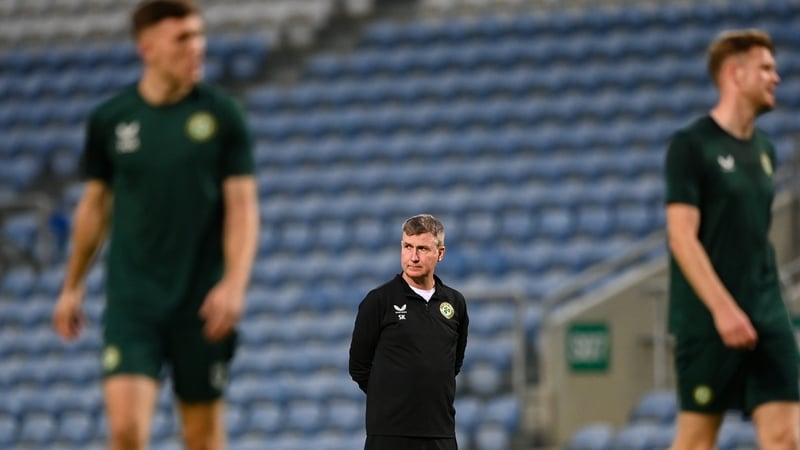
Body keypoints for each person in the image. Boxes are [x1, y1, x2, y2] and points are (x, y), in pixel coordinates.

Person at [51, 1, 259, 449]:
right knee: (126, 433)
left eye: (200, 36)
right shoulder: (111, 120)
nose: (197, 47)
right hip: (133, 305)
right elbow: (95, 206)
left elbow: (242, 207)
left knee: (202, 439)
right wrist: (72, 284)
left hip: (201, 305)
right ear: (147, 47)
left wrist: (234, 285)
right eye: (183, 38)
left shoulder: (223, 116)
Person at [664, 29, 799, 450]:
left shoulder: (765, 149)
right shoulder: (691, 145)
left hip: (766, 309)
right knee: (697, 442)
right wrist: (724, 310)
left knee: (786, 437)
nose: (776, 77)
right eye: (766, 68)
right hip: (707, 318)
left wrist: (759, 304)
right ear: (734, 73)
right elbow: (681, 237)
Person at [349, 214, 469, 450]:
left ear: (440, 253)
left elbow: (453, 363)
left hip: (440, 433)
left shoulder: (455, 303)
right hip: (389, 434)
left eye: (422, 248)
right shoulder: (378, 301)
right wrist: (393, 395)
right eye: (407, 247)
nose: (413, 256)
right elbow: (358, 366)